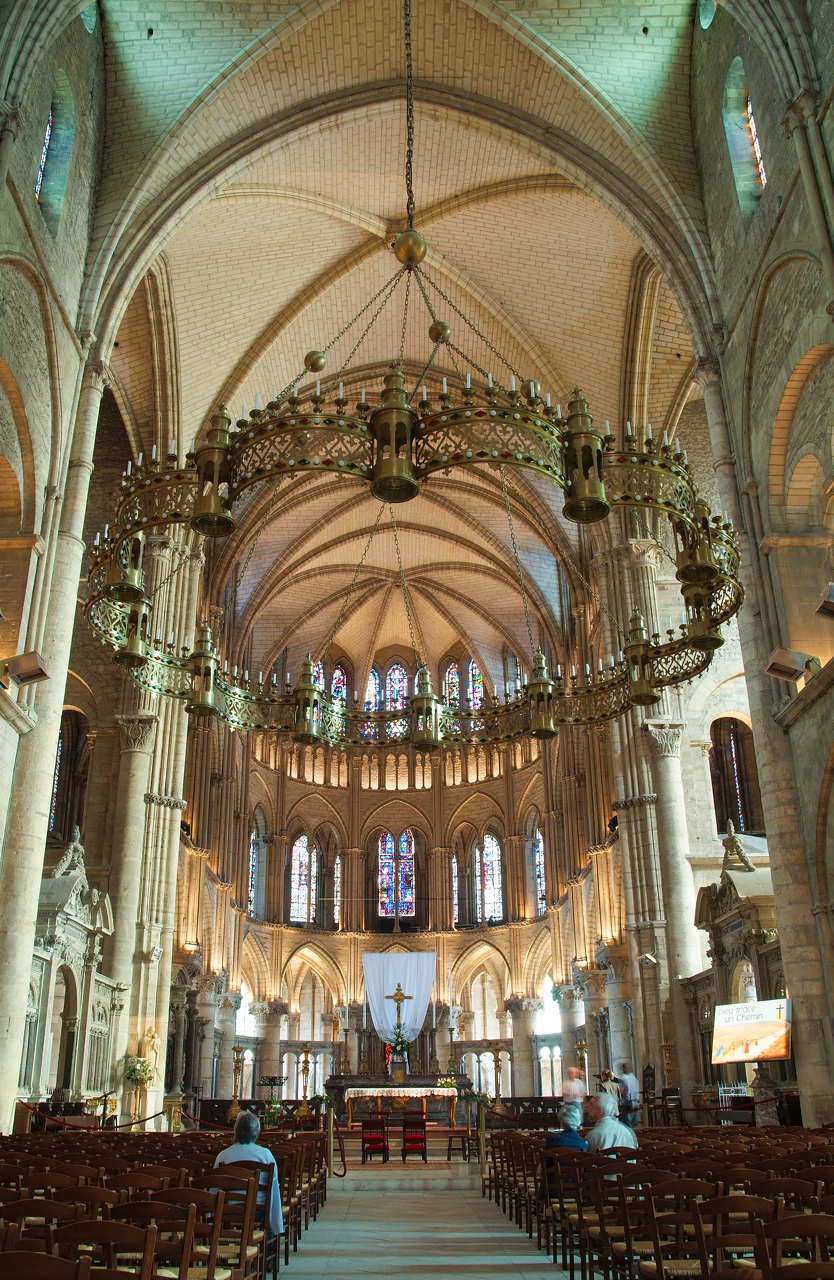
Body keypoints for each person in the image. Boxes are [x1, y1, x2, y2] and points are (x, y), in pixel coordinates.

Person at [214, 1109, 283, 1235]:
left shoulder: (223, 1156)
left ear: (236, 1130)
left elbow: (214, 1187)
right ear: (256, 1131)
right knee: (268, 1217)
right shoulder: (265, 1154)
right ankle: (268, 1245)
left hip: (229, 1209)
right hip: (258, 1210)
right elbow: (273, 1189)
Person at [542, 1102, 588, 1198]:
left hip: (554, 1190)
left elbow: (543, 1168)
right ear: (578, 1121)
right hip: (577, 1191)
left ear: (561, 1121)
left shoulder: (553, 1139)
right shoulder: (583, 1143)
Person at [617, 1062, 640, 1128]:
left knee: (627, 1124)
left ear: (625, 1069)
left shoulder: (623, 1078)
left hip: (628, 1102)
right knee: (635, 1124)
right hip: (636, 1102)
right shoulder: (635, 1078)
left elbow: (622, 1091)